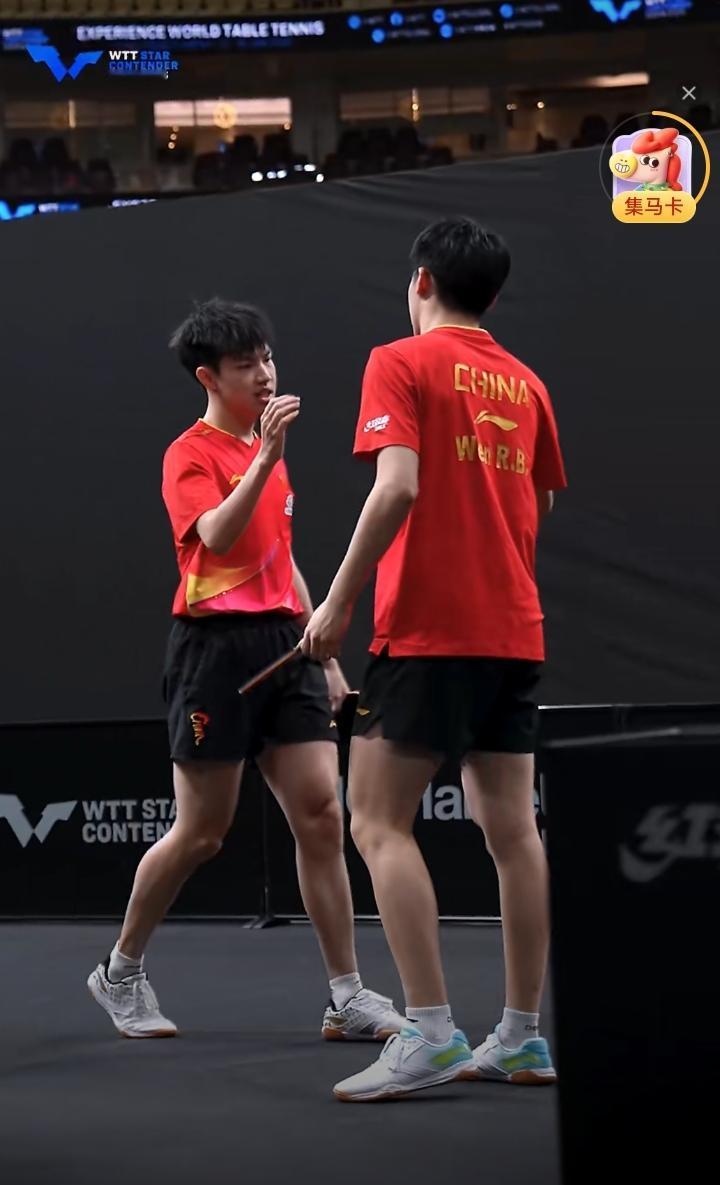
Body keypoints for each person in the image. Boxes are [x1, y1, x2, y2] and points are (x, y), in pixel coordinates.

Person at [88, 298, 404, 1043]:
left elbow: (277, 558)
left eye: (267, 358)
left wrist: (324, 653)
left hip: (285, 645)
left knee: (322, 813)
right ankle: (120, 971)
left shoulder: (270, 451)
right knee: (202, 832)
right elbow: (221, 539)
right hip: (213, 654)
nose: (265, 375)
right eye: (245, 365)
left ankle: (346, 996)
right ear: (209, 377)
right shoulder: (190, 454)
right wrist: (262, 459)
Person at [302, 217, 567, 1101]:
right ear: (490, 294)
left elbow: (400, 485)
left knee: (376, 820)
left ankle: (431, 1030)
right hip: (513, 629)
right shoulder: (527, 382)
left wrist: (337, 601)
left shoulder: (400, 361)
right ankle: (522, 1036)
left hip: (427, 631)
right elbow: (538, 504)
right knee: (514, 831)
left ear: (422, 281)